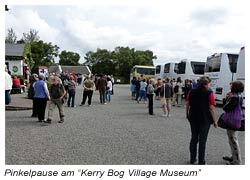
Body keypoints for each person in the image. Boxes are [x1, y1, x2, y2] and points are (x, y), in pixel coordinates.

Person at [186, 76, 217, 165]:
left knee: (194, 138)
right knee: (202, 140)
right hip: (205, 118)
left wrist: (187, 114)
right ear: (206, 84)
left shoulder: (192, 91)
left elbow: (188, 103)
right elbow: (211, 107)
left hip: (193, 117)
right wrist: (215, 120)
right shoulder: (209, 92)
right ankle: (201, 160)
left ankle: (192, 158)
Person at [222, 81, 244, 165]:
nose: (230, 87)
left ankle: (237, 161)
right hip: (236, 119)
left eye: (231, 85)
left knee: (233, 140)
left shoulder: (234, 97)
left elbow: (226, 108)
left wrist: (226, 99)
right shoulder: (239, 96)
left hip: (232, 120)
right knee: (232, 139)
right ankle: (234, 156)